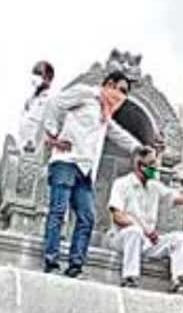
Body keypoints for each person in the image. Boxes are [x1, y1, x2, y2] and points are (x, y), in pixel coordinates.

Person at [41, 70, 143, 278]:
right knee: (58, 212)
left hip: (85, 170)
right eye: (120, 90)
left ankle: (75, 266)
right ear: (109, 84)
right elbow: (54, 103)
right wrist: (53, 134)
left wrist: (139, 148)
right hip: (66, 161)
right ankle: (51, 261)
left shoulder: (105, 113)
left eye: (125, 93)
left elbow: (116, 133)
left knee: (87, 217)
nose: (121, 96)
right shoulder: (85, 94)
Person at [108, 147, 183, 292]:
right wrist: (144, 230)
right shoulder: (122, 184)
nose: (155, 168)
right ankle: (130, 278)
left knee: (177, 238)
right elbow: (117, 216)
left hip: (147, 242)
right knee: (134, 231)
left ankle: (177, 281)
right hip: (122, 239)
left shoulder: (154, 186)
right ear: (139, 165)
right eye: (151, 164)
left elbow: (177, 198)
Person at [17, 60, 55, 152]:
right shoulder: (31, 99)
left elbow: (52, 127)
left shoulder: (51, 99)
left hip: (35, 151)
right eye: (34, 73)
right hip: (23, 148)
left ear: (47, 78)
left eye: (38, 73)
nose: (35, 77)